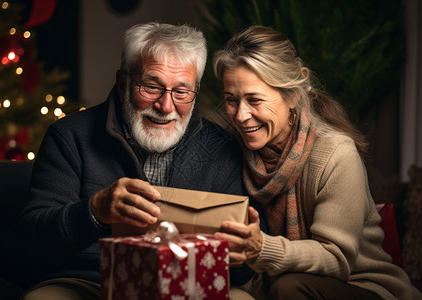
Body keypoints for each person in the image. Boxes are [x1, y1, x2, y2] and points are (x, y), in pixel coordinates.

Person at [18, 22, 260, 300]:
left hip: (192, 285)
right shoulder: (70, 136)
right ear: (122, 83)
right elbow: (33, 240)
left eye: (181, 92)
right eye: (151, 87)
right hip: (89, 282)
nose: (165, 107)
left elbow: (243, 270)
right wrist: (94, 212)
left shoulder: (223, 148)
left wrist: (243, 253)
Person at [212, 25, 422, 300]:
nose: (240, 115)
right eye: (231, 100)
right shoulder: (231, 149)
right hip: (270, 283)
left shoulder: (336, 153)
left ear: (292, 97)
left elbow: (336, 258)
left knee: (289, 288)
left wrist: (262, 248)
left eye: (254, 100)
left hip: (361, 286)